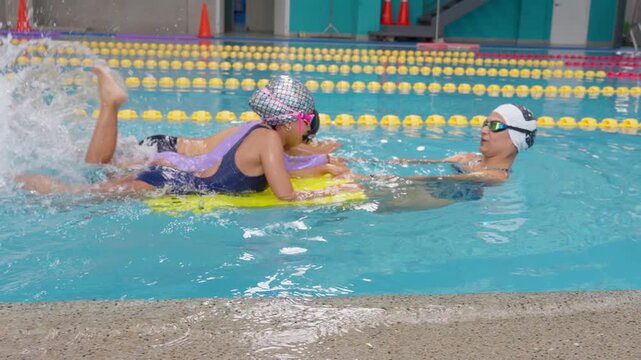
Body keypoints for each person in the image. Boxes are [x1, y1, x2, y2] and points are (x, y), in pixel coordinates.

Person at [16, 68, 359, 201]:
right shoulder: (270, 141)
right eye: (306, 126)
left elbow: (283, 165)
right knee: (76, 193)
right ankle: (16, 180)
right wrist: (328, 192)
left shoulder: (258, 130)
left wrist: (318, 162)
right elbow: (285, 195)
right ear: (290, 122)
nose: (307, 134)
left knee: (86, 185)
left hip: (170, 175)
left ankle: (17, 178)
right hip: (169, 182)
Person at [345, 104, 537, 211]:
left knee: (375, 201)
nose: (485, 130)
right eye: (485, 123)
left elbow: (437, 180)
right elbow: (412, 163)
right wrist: (358, 162)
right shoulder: (467, 158)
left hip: (438, 198)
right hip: (428, 190)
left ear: (515, 138)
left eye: (495, 126)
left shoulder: (495, 177)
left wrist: (367, 179)